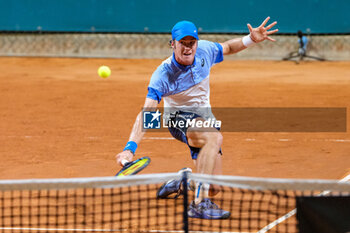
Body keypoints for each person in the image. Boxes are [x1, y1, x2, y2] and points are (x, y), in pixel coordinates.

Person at [116, 17, 278, 219]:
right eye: (182, 43)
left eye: (191, 43)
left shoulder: (205, 50)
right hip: (178, 119)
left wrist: (251, 39)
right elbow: (148, 111)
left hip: (204, 119)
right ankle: (198, 205)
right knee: (214, 137)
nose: (187, 48)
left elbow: (227, 47)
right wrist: (129, 149)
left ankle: (184, 181)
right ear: (172, 44)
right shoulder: (163, 75)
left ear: (196, 43)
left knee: (214, 187)